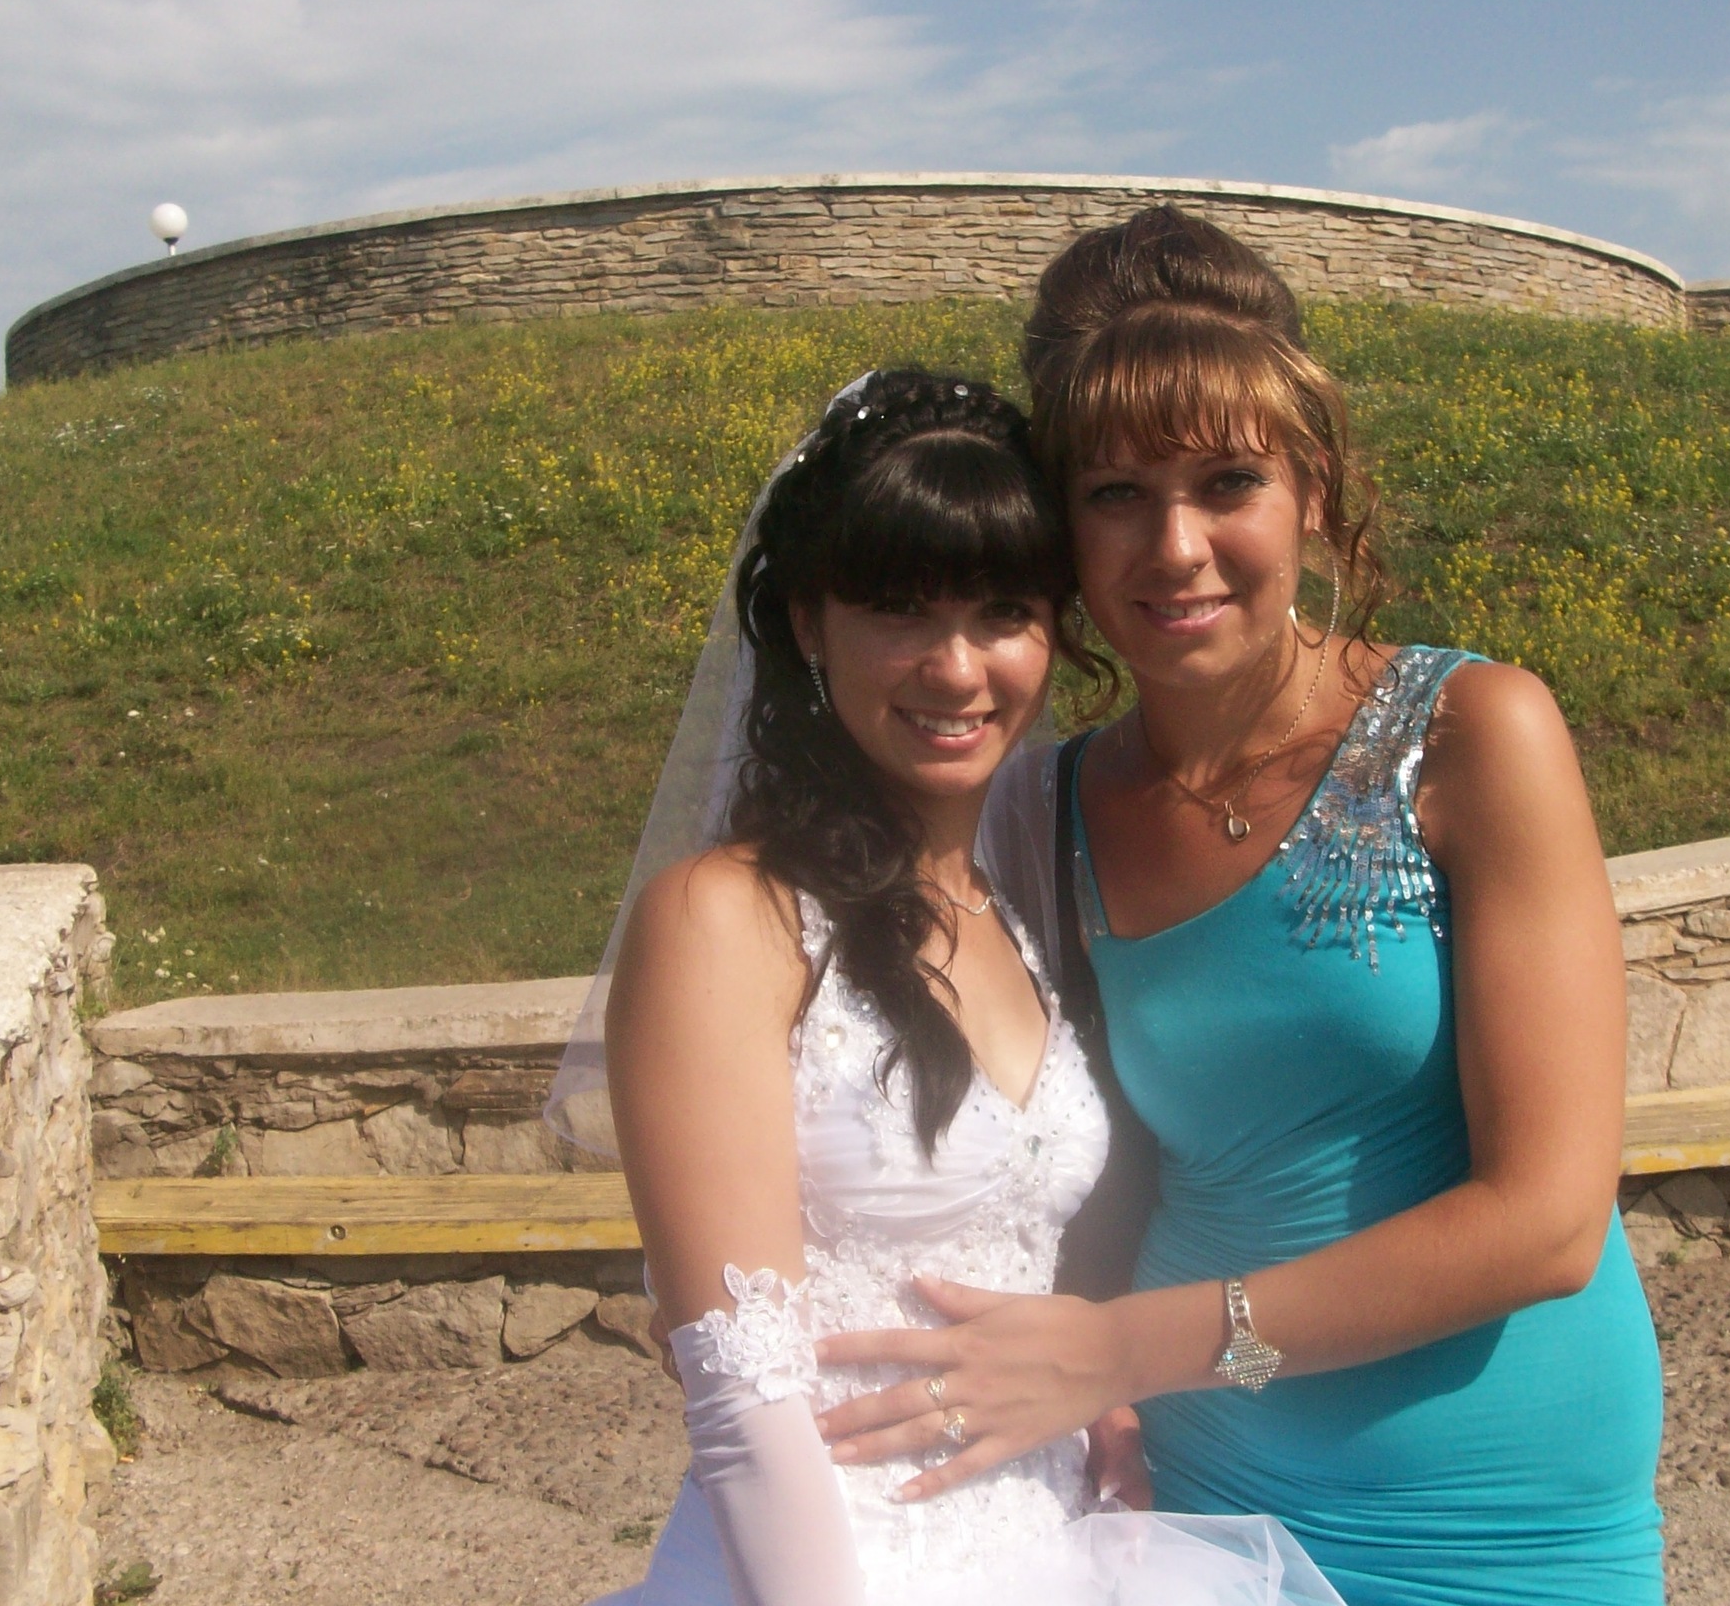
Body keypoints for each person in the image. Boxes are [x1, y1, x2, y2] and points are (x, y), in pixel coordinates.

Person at [813, 213, 1667, 1606]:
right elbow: (1077, 1153)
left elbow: (1549, 1220)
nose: (1176, 547)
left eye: (1228, 483)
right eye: (1115, 494)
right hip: (1199, 1494)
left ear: (1313, 491)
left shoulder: (1471, 734)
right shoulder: (1044, 806)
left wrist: (1118, 1352)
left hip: (1498, 1514)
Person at [575, 368, 1341, 1606]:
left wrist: (1106, 1410)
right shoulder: (725, 919)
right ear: (809, 625)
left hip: (1054, 1546)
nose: (955, 667)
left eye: (1001, 612)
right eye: (898, 610)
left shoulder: (1011, 905)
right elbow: (740, 1393)